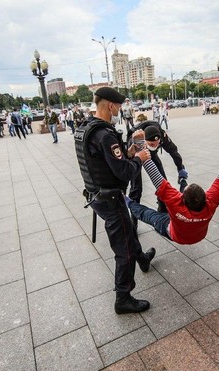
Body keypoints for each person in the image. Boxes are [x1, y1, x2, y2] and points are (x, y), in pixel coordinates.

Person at [74, 86, 156, 314]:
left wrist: (127, 153)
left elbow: (102, 161)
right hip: (110, 198)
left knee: (127, 230)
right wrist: (139, 158)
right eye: (118, 106)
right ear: (110, 106)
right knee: (124, 249)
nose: (120, 110)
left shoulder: (85, 128)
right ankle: (123, 297)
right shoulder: (105, 135)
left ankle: (142, 259)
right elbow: (124, 172)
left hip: (96, 195)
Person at [127, 137, 219, 245]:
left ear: (182, 199)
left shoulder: (175, 203)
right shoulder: (210, 203)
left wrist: (140, 145)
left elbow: (155, 176)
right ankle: (183, 180)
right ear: (206, 197)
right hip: (198, 236)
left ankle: (127, 201)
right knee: (181, 190)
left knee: (148, 214)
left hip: (173, 233)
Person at [126, 123, 188, 217]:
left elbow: (173, 151)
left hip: (152, 154)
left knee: (163, 183)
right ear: (144, 140)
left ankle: (163, 208)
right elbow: (128, 160)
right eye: (151, 144)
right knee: (136, 187)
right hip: (136, 155)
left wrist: (180, 168)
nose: (154, 145)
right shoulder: (135, 138)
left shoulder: (162, 135)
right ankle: (134, 217)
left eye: (157, 143)